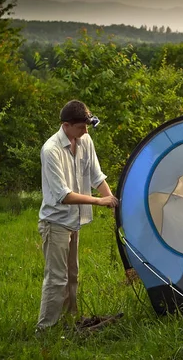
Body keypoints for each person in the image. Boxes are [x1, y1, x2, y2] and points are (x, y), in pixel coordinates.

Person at [36, 100, 119, 330]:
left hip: (73, 222)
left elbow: (96, 175)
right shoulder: (50, 150)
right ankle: (45, 329)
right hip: (55, 222)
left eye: (87, 127)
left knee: (72, 276)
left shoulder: (85, 141)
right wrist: (98, 201)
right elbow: (63, 195)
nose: (85, 131)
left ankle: (69, 322)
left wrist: (111, 201)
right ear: (66, 125)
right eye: (82, 127)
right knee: (56, 279)